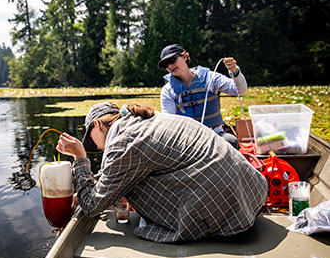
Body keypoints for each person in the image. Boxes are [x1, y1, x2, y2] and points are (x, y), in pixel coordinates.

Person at [56, 102, 267, 243]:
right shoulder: (144, 122)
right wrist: (92, 183)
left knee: (134, 189)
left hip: (229, 215)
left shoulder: (124, 142)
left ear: (97, 124)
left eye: (92, 140)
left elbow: (92, 206)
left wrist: (80, 158)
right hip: (249, 194)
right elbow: (118, 171)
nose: (98, 148)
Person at [158, 44, 248, 149]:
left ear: (185, 56)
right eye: (165, 64)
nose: (169, 66)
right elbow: (170, 124)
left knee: (230, 141)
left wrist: (235, 72)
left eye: (172, 60)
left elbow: (239, 90)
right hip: (187, 141)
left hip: (216, 135)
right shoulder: (167, 91)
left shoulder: (210, 78)